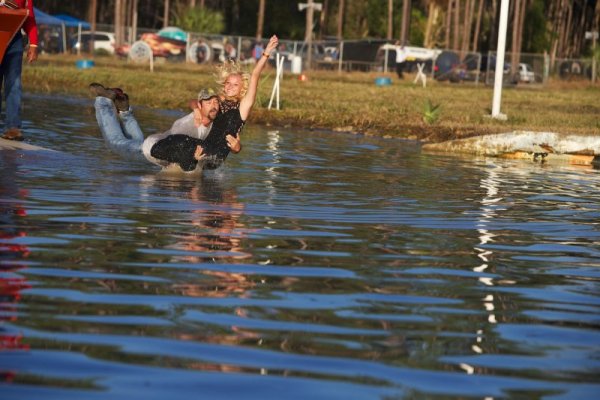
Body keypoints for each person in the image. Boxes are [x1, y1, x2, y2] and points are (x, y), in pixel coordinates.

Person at [149, 35, 279, 172]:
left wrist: (267, 52)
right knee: (170, 141)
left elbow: (255, 75)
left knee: (185, 145)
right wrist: (196, 109)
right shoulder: (217, 100)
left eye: (235, 85)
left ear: (243, 88)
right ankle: (178, 168)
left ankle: (189, 170)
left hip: (216, 154)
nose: (230, 87)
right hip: (204, 146)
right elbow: (194, 101)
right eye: (228, 83)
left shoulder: (243, 106)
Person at [90, 84, 240, 172]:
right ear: (200, 106)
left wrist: (236, 148)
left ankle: (124, 110)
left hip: (152, 142)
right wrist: (192, 161)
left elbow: (194, 101)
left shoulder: (213, 118)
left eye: (216, 103)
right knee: (115, 142)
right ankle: (104, 100)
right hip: (152, 151)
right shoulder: (186, 126)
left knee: (138, 141)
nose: (214, 107)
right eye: (209, 103)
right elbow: (171, 151)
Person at [1, 0, 38, 141]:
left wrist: (33, 44)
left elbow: (29, 16)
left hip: (14, 37)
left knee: (14, 83)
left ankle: (12, 127)